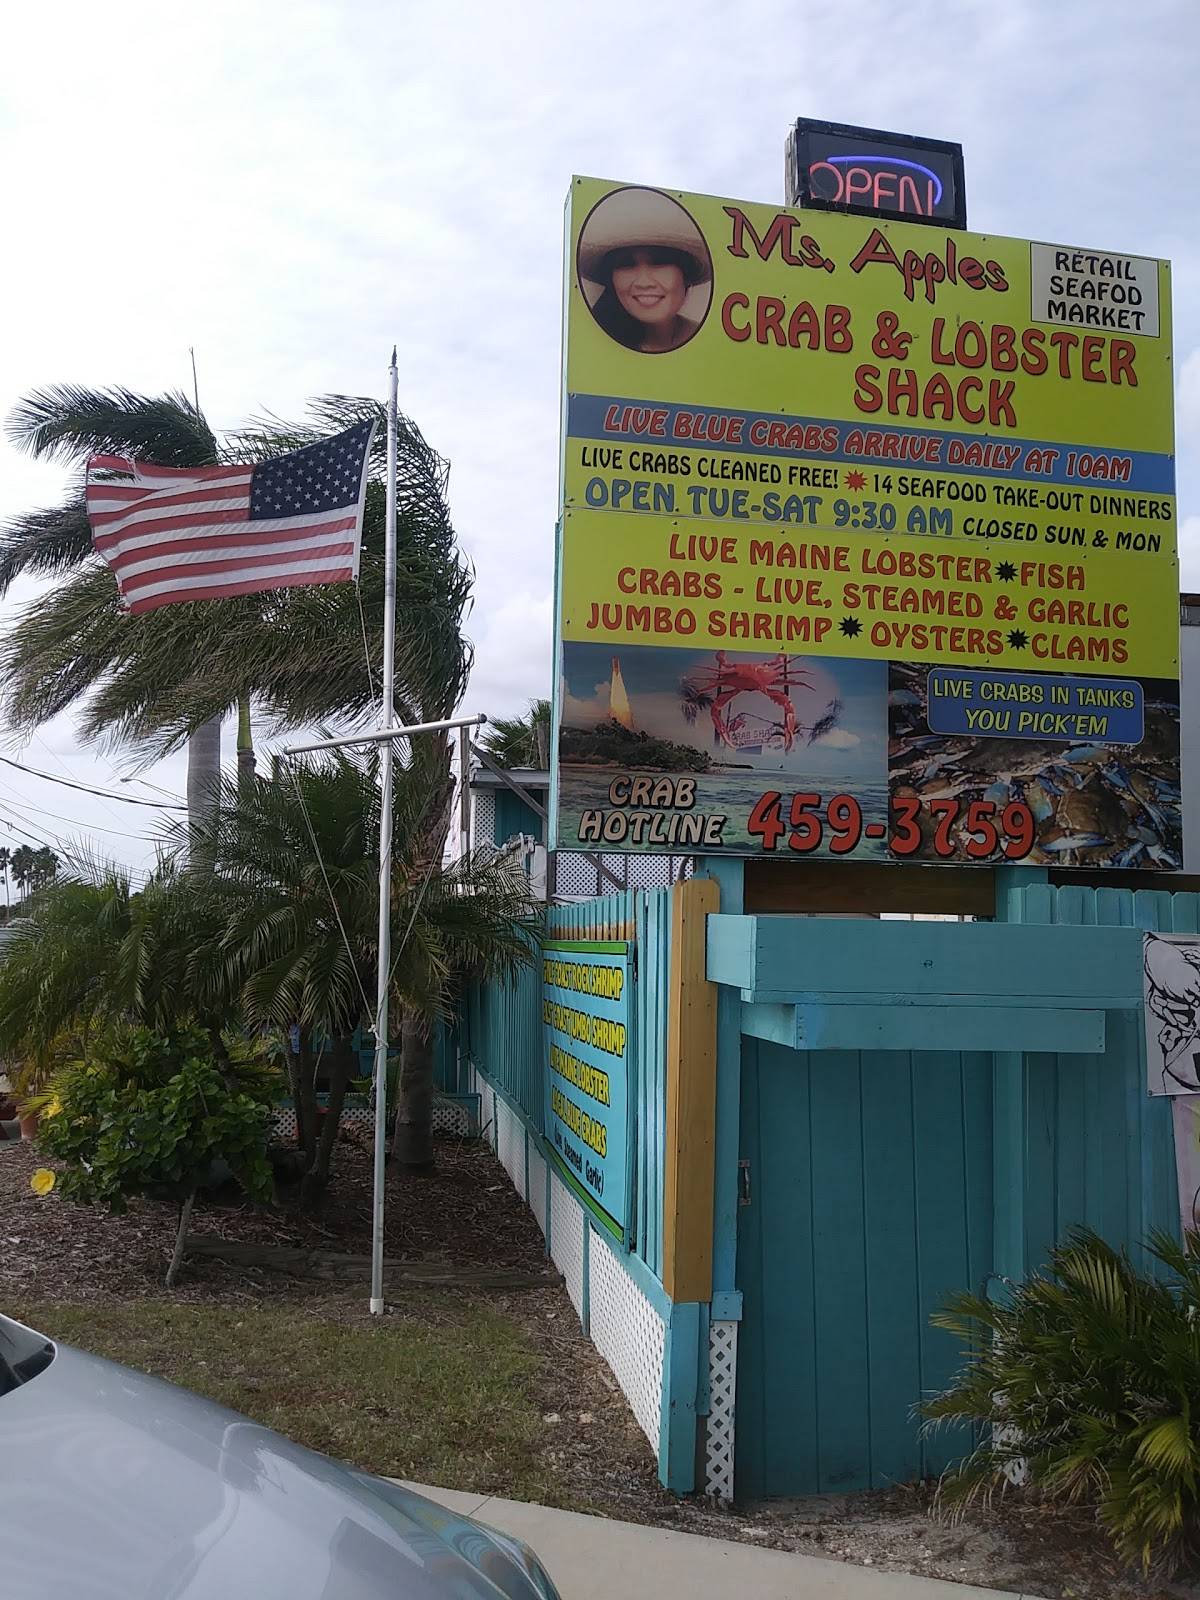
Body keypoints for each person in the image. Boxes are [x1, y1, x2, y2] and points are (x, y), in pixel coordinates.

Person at [577, 187, 712, 354]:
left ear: (686, 275)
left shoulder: (712, 346)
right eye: (627, 264)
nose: (643, 282)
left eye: (659, 262)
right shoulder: (593, 351)